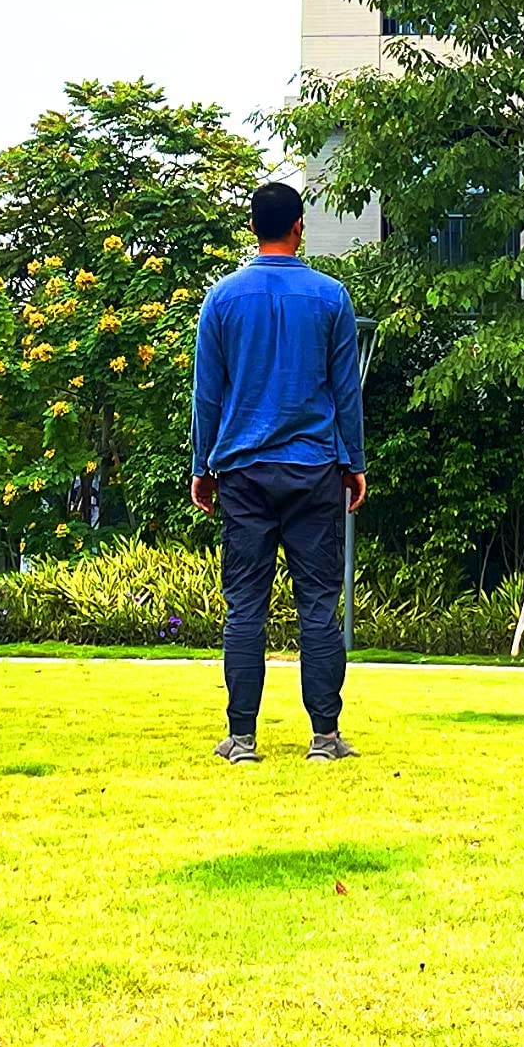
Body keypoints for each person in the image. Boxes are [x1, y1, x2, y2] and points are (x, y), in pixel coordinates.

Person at [189, 182, 366, 764]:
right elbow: (346, 393)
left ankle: (241, 739)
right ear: (298, 227)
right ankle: (324, 738)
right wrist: (354, 464)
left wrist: (202, 467)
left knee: (245, 605)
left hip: (242, 470)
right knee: (318, 605)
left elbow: (207, 396)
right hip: (315, 467)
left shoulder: (221, 299)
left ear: (255, 230)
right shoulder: (331, 297)